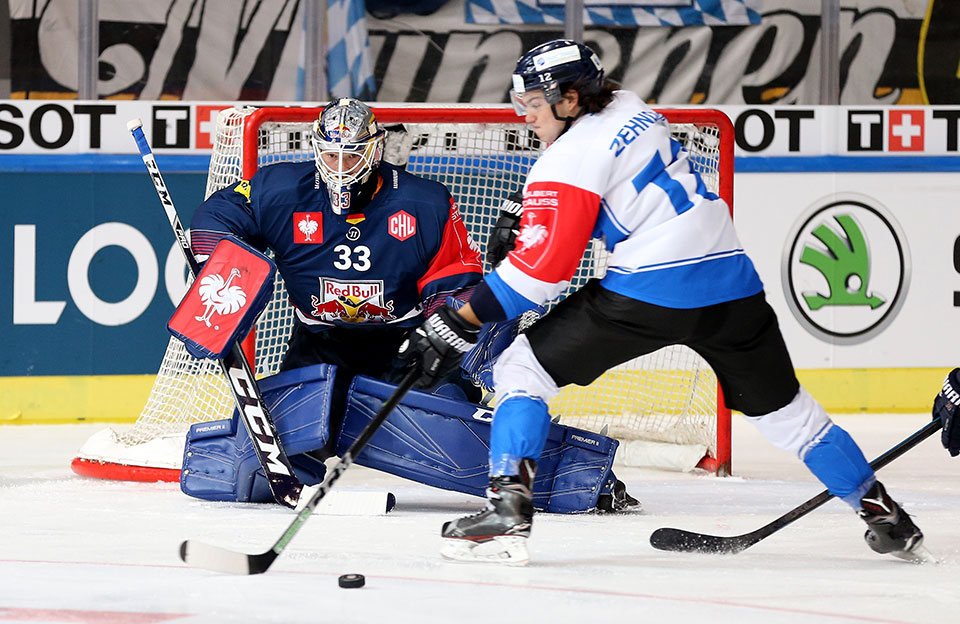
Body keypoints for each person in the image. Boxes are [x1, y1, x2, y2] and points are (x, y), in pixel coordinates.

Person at [398, 39, 926, 565]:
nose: (526, 115)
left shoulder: (566, 161)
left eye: (535, 103)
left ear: (571, 100)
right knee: (794, 418)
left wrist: (458, 318)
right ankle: (887, 518)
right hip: (732, 284)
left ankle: (508, 510)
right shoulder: (633, 107)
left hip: (650, 291)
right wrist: (535, 210)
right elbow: (615, 184)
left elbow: (541, 275)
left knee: (521, 370)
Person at [182, 97, 637, 514]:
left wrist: (445, 340)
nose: (341, 167)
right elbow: (216, 216)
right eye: (331, 154)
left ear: (375, 150)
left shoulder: (424, 202)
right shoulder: (278, 188)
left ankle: (582, 477)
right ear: (317, 150)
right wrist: (220, 269)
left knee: (451, 432)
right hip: (319, 348)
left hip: (403, 349)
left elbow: (456, 282)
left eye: (352, 154)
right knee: (256, 469)